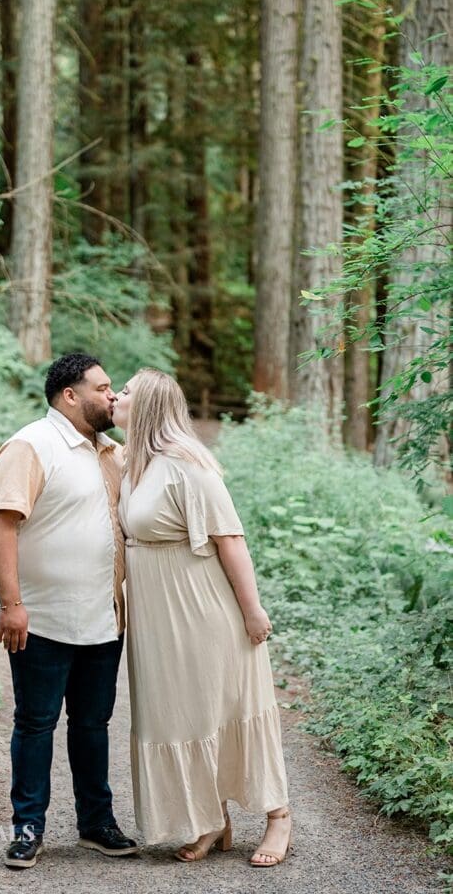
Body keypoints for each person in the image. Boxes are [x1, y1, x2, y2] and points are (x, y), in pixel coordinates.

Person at [112, 368, 292, 867]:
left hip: (202, 608)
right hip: (157, 614)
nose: (115, 396)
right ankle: (212, 820)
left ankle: (278, 817)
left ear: (146, 405)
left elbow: (230, 539)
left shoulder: (189, 465)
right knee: (179, 712)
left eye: (125, 391)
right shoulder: (131, 462)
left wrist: (253, 611)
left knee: (229, 706)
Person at [0, 352, 138, 869]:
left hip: (104, 617)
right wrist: (11, 605)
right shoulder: (32, 445)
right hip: (43, 619)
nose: (112, 396)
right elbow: (1, 524)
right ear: (70, 395)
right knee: (35, 723)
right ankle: (28, 829)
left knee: (94, 724)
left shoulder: (111, 453)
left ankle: (97, 823)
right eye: (103, 387)